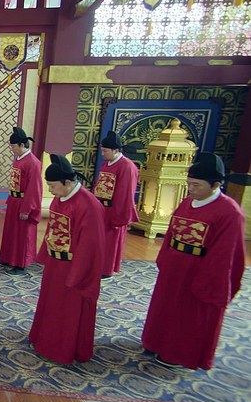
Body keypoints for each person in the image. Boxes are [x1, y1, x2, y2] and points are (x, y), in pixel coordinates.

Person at [142, 152, 245, 370]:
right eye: (189, 183)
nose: (190, 189)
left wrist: (206, 281)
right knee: (165, 307)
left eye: (196, 185)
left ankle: (177, 354)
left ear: (215, 185)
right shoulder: (188, 202)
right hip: (174, 267)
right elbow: (172, 231)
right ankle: (155, 342)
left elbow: (225, 254)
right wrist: (165, 259)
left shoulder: (229, 212)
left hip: (199, 270)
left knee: (187, 315)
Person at [29, 154, 104, 364]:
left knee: (67, 310)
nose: (50, 190)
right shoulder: (60, 198)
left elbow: (91, 246)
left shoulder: (88, 205)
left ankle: (62, 349)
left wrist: (77, 274)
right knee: (50, 304)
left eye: (53, 186)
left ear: (68, 182)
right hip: (55, 263)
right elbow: (52, 229)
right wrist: (45, 255)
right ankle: (44, 340)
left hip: (73, 267)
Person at [93, 131, 139, 278]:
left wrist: (118, 216)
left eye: (105, 151)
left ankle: (106, 269)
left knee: (110, 241)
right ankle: (96, 265)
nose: (102, 154)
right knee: (99, 239)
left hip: (114, 210)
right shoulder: (106, 163)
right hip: (101, 209)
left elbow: (125, 194)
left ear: (116, 150)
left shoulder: (127, 167)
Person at [0, 127, 42, 275]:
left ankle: (20, 263)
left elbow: (34, 188)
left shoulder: (33, 163)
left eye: (13, 146)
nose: (12, 149)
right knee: (11, 232)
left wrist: (27, 209)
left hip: (23, 202)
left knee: (22, 235)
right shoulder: (19, 159)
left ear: (22, 145)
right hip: (14, 201)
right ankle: (8, 258)